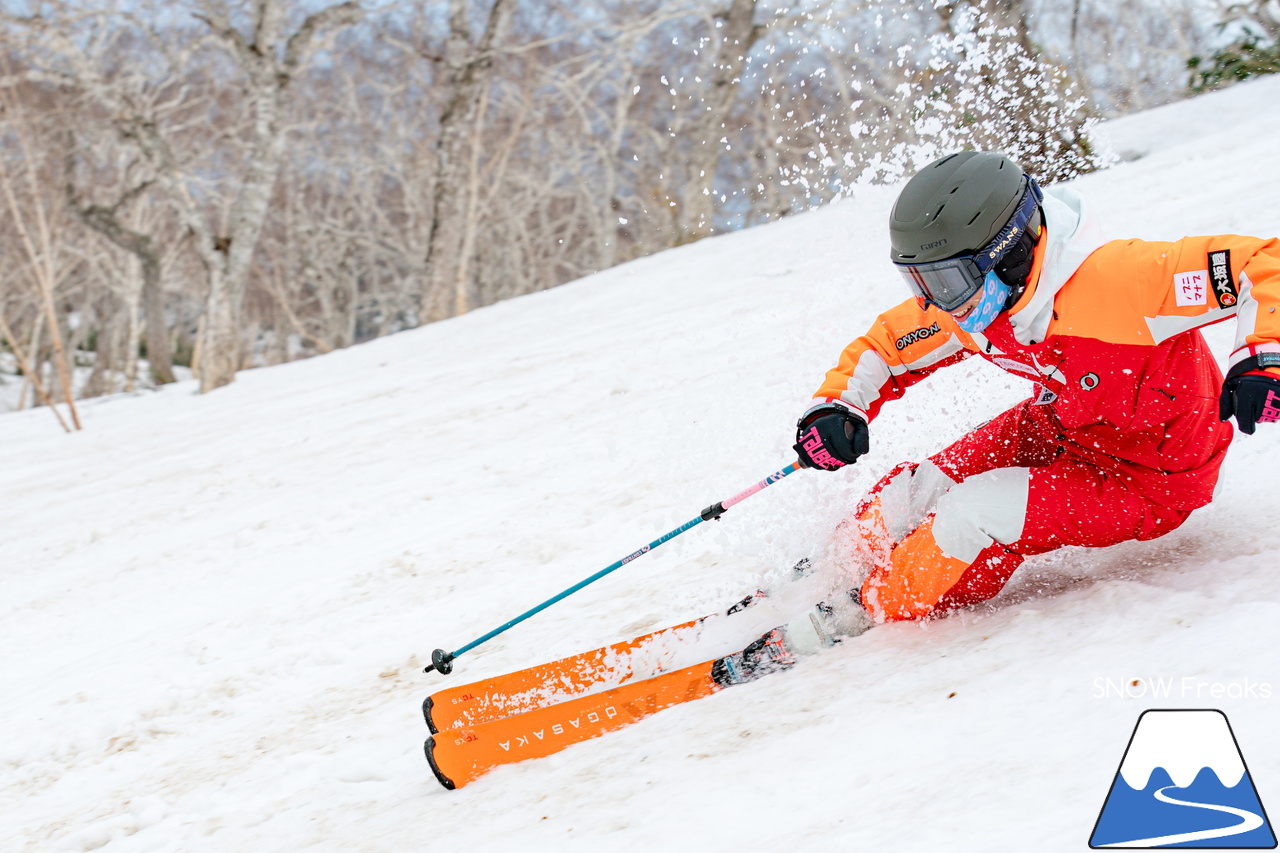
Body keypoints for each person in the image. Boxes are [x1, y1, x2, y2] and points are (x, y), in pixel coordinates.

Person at [791, 149, 1280, 626]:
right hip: (1061, 426)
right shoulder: (969, 302)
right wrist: (837, 408)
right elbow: (887, 346)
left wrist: (1264, 357)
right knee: (920, 488)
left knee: (973, 512)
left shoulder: (1123, 283)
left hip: (1150, 477)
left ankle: (862, 610)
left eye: (943, 281)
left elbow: (1261, 262)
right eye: (918, 281)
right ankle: (827, 568)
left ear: (1010, 254)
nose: (933, 303)